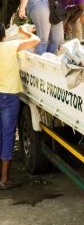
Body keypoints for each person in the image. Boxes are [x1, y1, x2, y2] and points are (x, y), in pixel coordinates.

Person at [0, 22, 40, 189]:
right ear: (4, 34)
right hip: (9, 97)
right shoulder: (10, 46)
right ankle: (4, 179)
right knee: (8, 136)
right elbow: (36, 40)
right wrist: (25, 32)